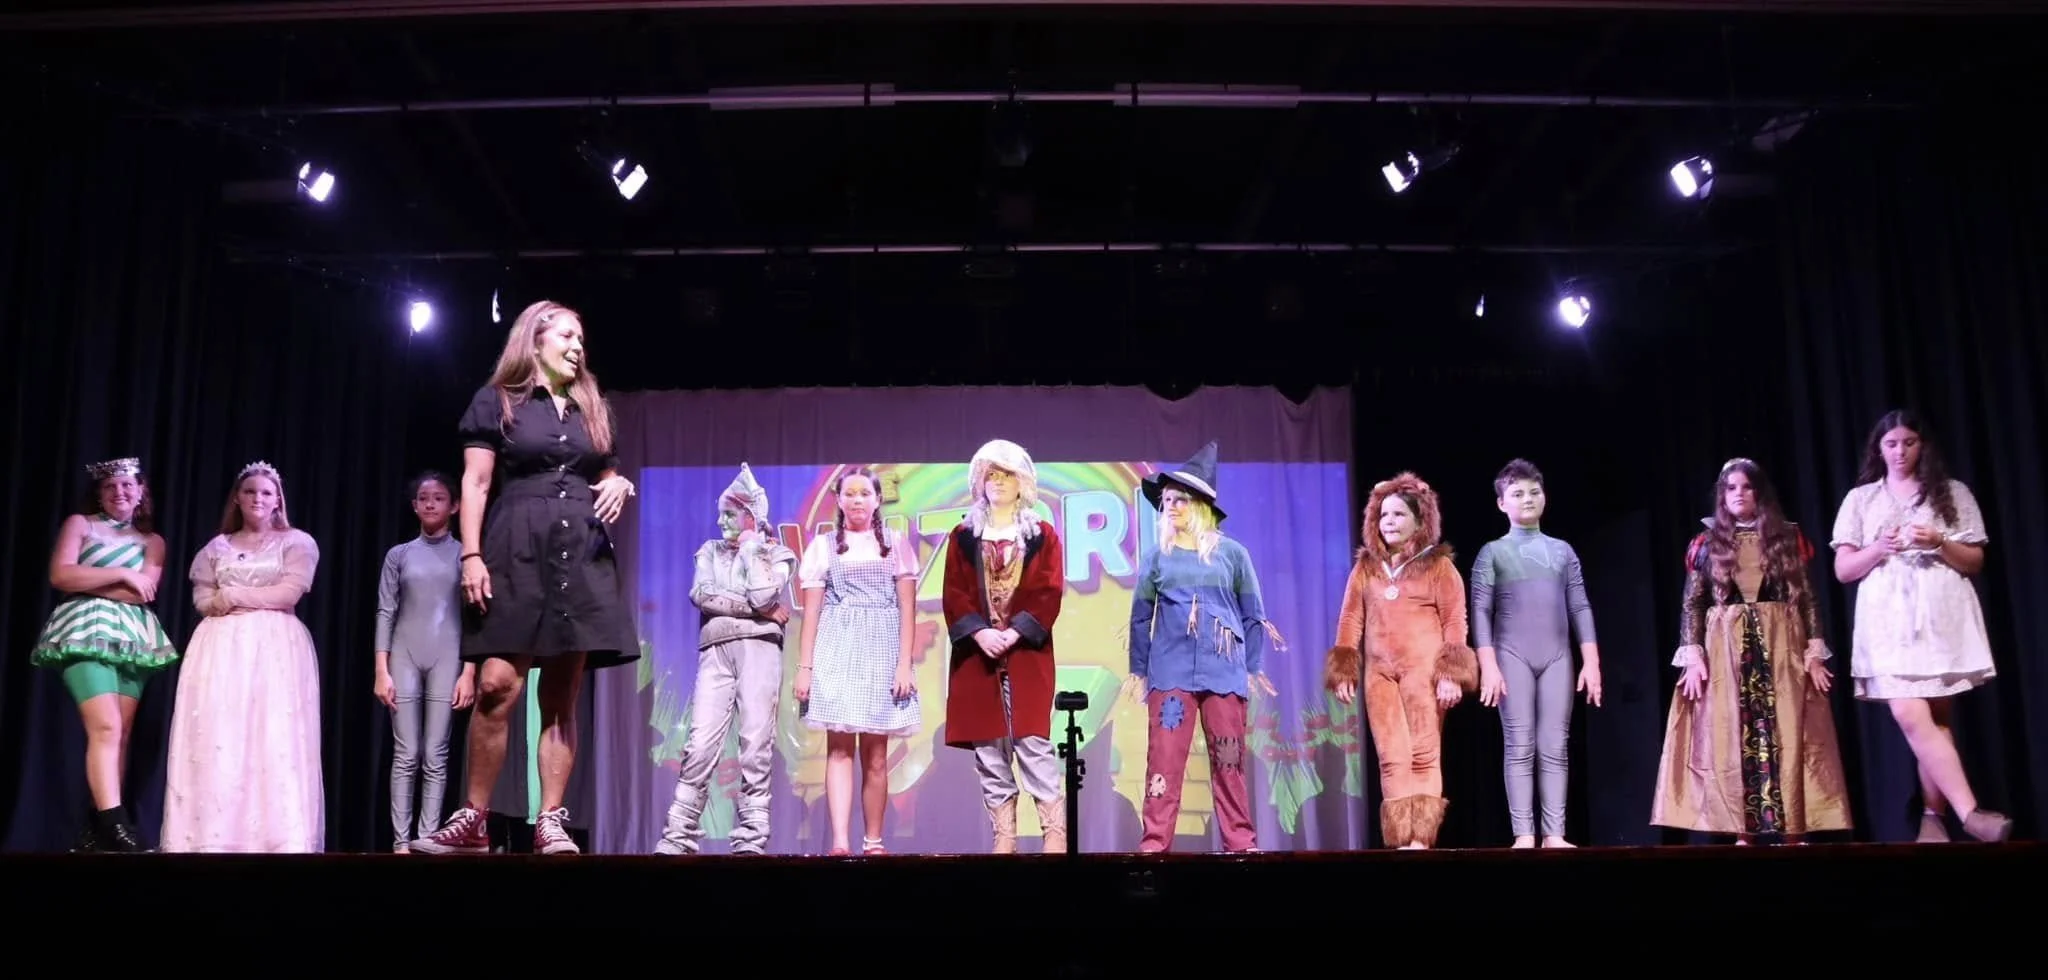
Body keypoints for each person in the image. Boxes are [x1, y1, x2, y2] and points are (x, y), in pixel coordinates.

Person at [411, 299, 642, 857]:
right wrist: (470, 556)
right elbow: (476, 483)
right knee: (496, 685)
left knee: (562, 694)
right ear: (534, 339)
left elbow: (602, 469)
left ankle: (551, 821)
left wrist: (618, 482)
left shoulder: (592, 406)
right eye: (566, 335)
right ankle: (474, 820)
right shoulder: (498, 401)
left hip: (581, 556)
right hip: (514, 550)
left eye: (582, 339)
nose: (577, 346)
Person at [1830, 410, 2011, 842]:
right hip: (1888, 622)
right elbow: (1843, 569)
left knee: (1935, 718)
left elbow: (1975, 561)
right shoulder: (1861, 499)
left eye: (1908, 442)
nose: (1899, 451)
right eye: (1890, 443)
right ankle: (1971, 814)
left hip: (1941, 616)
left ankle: (1933, 820)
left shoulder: (1952, 493)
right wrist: (1877, 547)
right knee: (1910, 713)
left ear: (1922, 446)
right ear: (1879, 448)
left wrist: (1941, 541)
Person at [1651, 458, 1851, 844]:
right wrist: (1692, 655)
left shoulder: (1787, 537)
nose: (1738, 494)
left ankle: (1794, 829)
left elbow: (1807, 598)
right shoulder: (1706, 544)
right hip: (1727, 647)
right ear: (1722, 497)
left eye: (1746, 487)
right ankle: (1744, 832)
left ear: (1759, 492)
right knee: (1734, 732)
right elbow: (1693, 602)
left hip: (1780, 644)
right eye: (1731, 489)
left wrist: (1813, 652)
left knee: (1787, 729)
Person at [1124, 441, 1281, 854]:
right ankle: (1154, 844)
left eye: (1180, 499)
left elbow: (1253, 615)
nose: (1170, 507)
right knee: (1164, 762)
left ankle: (1240, 843)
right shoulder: (1158, 559)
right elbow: (1141, 618)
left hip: (1224, 677)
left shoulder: (1232, 555)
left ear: (1201, 505)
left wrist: (1249, 669)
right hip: (1170, 675)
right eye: (1167, 500)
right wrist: (1139, 671)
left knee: (1229, 763)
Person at [160, 461, 326, 853]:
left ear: (277, 501)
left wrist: (232, 597)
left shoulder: (296, 543)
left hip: (276, 648)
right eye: (250, 491)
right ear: (237, 497)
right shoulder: (216, 548)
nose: (258, 498)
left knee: (272, 734)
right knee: (221, 734)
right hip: (220, 649)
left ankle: (278, 838)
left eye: (266, 493)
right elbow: (202, 599)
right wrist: (219, 602)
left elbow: (288, 593)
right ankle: (211, 836)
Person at [29, 456, 179, 852]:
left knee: (122, 735)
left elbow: (145, 591)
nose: (120, 492)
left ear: (141, 491)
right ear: (99, 492)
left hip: (132, 638)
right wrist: (122, 574)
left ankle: (99, 828)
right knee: (106, 728)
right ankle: (116, 824)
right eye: (111, 486)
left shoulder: (153, 542)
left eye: (128, 485)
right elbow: (62, 575)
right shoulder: (82, 525)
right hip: (83, 631)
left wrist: (98, 579)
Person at [1323, 472, 1477, 850]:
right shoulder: (1366, 569)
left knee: (1423, 753)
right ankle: (1399, 841)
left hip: (1422, 673)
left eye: (1398, 515)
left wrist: (1451, 675)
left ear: (1420, 522)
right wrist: (1344, 669)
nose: (1388, 522)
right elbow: (1350, 620)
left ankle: (1420, 841)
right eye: (1383, 516)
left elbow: (1455, 622)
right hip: (1380, 676)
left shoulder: (1439, 567)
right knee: (1392, 758)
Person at [656, 463, 797, 856]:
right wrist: (759, 611)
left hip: (759, 651)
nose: (720, 520)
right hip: (716, 651)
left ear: (751, 515)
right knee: (700, 742)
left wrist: (752, 548)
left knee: (755, 741)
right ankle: (679, 834)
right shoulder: (710, 551)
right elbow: (701, 594)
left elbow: (763, 594)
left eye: (730, 513)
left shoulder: (777, 553)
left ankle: (752, 837)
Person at [941, 439, 1067, 854]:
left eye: (1006, 475)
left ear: (1022, 483)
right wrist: (980, 633)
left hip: (1026, 653)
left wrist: (1014, 632)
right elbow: (955, 594)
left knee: (1032, 741)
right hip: (978, 655)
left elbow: (1048, 591)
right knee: (989, 748)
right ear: (980, 482)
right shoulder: (963, 536)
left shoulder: (1041, 536)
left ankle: (1054, 833)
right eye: (990, 475)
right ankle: (1005, 837)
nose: (997, 482)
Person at [1469, 459, 1602, 848]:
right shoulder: (1492, 552)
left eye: (1534, 492)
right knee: (1520, 743)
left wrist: (1591, 662)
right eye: (1517, 494)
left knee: (1554, 745)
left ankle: (1555, 834)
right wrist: (1488, 665)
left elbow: (1580, 606)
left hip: (1559, 657)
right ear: (1501, 504)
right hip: (1512, 655)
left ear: (1544, 497)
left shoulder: (1562, 550)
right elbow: (1479, 610)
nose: (1527, 499)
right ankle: (1524, 834)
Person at [794, 466, 921, 856]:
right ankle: (840, 843)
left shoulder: (895, 545)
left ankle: (874, 841)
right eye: (849, 493)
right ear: (839, 500)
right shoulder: (823, 547)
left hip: (881, 650)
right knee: (839, 749)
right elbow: (811, 613)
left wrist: (904, 663)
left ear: (878, 499)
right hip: (838, 648)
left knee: (877, 755)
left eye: (864, 493)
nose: (857, 500)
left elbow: (906, 609)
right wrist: (805, 667)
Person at [373, 471, 475, 853]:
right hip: (404, 656)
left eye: (439, 497)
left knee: (436, 753)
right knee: (407, 752)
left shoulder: (466, 555)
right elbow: (385, 611)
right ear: (414, 505)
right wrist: (381, 670)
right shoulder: (399, 555)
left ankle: (427, 838)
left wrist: (469, 671)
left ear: (455, 506)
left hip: (448, 657)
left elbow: (473, 618)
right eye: (423, 497)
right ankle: (401, 842)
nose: (430, 503)